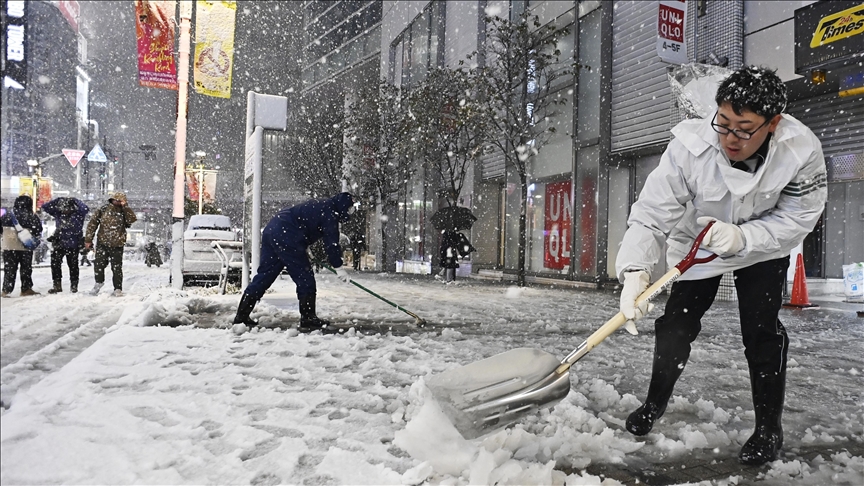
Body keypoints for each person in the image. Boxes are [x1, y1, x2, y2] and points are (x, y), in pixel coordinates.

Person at [615, 66, 827, 466]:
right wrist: (634, 271)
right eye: (724, 124)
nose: (730, 138)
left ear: (773, 123)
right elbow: (651, 214)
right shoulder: (689, 147)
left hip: (763, 247)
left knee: (761, 333)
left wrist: (744, 237)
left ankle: (768, 429)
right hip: (699, 243)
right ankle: (654, 403)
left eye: (744, 130)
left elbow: (800, 215)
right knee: (675, 326)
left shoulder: (800, 150)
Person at [232, 192, 356, 332]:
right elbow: (332, 244)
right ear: (343, 206)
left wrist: (304, 246)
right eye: (350, 208)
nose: (350, 212)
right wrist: (338, 267)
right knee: (305, 276)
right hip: (287, 235)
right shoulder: (330, 213)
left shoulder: (323, 205)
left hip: (273, 229)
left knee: (265, 275)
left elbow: (305, 222)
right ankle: (308, 318)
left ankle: (241, 316)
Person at [85, 191, 137, 296]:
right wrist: (88, 239)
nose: (117, 202)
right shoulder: (103, 210)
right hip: (102, 242)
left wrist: (125, 207)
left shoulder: (124, 211)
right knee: (99, 264)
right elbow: (92, 224)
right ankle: (98, 283)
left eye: (120, 200)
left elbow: (132, 219)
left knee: (117, 267)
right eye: (116, 200)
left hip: (118, 244)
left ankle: (118, 288)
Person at [42, 197, 90, 293]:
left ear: (72, 208)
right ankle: (57, 285)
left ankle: (74, 286)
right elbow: (45, 207)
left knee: (73, 266)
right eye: (63, 207)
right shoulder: (58, 214)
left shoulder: (78, 215)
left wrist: (75, 200)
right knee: (55, 265)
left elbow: (85, 208)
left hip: (73, 244)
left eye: (67, 208)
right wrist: (58, 199)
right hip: (59, 243)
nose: (64, 210)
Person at [1, 195, 43, 297]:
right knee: (26, 268)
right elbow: (38, 230)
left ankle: (6, 290)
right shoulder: (31, 216)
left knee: (9, 269)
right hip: (25, 246)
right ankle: (26, 289)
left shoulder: (7, 215)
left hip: (9, 246)